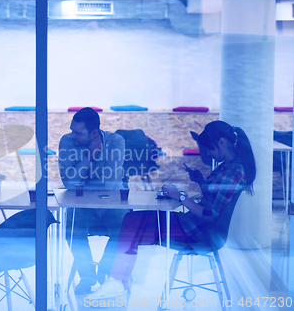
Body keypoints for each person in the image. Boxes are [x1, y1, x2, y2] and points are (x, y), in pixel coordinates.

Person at [87, 120, 256, 299]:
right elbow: (214, 199)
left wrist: (180, 197)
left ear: (222, 142)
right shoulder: (229, 167)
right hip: (193, 226)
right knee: (130, 224)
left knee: (131, 224)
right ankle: (119, 282)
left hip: (197, 232)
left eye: (209, 149)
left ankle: (117, 282)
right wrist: (201, 181)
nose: (208, 153)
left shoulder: (234, 172)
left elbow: (210, 215)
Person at [58, 107, 129, 294]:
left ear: (94, 132)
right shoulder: (67, 142)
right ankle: (88, 276)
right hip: (82, 206)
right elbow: (68, 182)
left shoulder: (116, 142)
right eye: (72, 130)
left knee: (125, 227)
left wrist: (81, 176)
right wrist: (90, 157)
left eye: (78, 132)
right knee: (71, 228)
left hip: (111, 204)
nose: (72, 135)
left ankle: (105, 273)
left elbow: (109, 184)